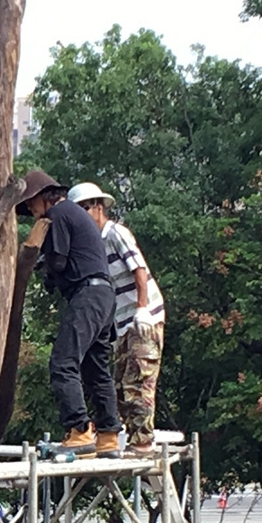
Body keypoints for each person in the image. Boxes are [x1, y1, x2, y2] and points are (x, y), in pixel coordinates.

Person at [17, 171, 121, 457]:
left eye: (31, 205)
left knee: (63, 363)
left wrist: (42, 264)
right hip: (104, 295)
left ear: (42, 197)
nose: (31, 211)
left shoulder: (60, 213)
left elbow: (60, 262)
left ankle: (80, 430)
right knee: (96, 368)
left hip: (87, 294)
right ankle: (109, 435)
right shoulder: (76, 215)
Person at [67, 182, 165, 456]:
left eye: (85, 208)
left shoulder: (115, 233)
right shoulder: (93, 244)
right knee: (121, 383)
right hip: (121, 323)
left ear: (98, 207)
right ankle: (133, 438)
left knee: (139, 380)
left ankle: (143, 441)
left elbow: (139, 269)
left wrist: (142, 308)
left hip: (142, 317)